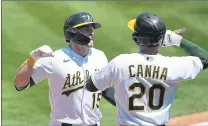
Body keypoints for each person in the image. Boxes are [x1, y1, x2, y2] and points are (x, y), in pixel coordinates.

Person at [85, 12, 208, 126]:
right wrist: (176, 40)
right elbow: (205, 59)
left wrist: (123, 101)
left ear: (137, 38)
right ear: (161, 38)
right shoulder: (173, 65)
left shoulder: (121, 63)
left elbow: (92, 85)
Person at [14, 12, 116, 126]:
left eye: (92, 28)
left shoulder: (100, 56)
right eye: (86, 29)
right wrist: (33, 57)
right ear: (72, 33)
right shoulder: (54, 59)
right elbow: (20, 83)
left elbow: (105, 89)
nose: (92, 32)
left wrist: (129, 106)